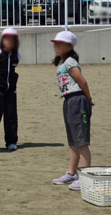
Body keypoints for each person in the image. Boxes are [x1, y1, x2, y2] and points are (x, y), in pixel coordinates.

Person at [50, 31, 93, 191]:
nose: (56, 46)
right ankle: (72, 173)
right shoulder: (62, 62)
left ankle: (86, 176)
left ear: (70, 46)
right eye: (55, 43)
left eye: (60, 43)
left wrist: (88, 99)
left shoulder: (70, 61)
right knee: (73, 141)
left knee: (81, 141)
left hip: (77, 100)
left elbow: (82, 81)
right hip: (68, 100)